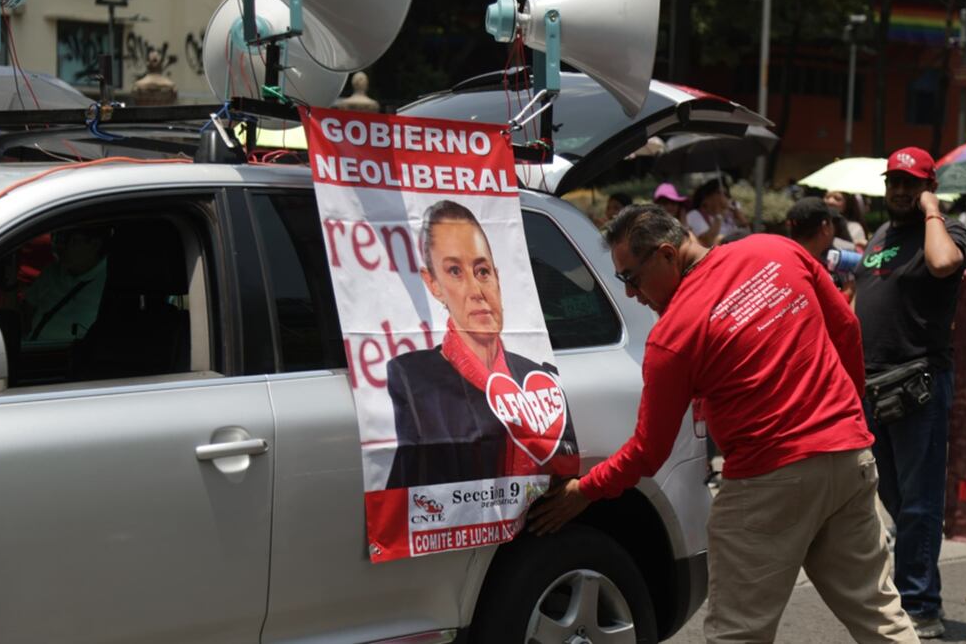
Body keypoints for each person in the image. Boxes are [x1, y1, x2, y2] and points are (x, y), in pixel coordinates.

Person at [529, 204, 917, 643]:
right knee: (879, 613)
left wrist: (585, 489)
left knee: (738, 633)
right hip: (849, 458)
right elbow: (846, 327)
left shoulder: (674, 336)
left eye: (631, 278)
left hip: (767, 482)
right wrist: (845, 411)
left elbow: (649, 450)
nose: (632, 294)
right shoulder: (776, 249)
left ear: (667, 255)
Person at [854, 147, 966, 639]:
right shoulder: (880, 235)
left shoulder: (946, 231)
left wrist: (931, 210)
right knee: (896, 502)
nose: (899, 191)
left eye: (910, 183)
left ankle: (922, 607)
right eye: (894, 182)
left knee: (920, 503)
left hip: (919, 381)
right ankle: (915, 594)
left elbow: (944, 265)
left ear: (928, 184)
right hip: (871, 385)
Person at [385, 200, 579, 489]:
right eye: (454, 271)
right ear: (433, 284)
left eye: (482, 271)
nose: (477, 291)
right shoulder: (414, 380)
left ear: (497, 278)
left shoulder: (537, 377)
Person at [21, 226, 109, 342]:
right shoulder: (52, 271)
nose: (61, 247)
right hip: (32, 351)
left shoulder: (110, 280)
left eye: (73, 241)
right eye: (59, 239)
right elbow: (27, 312)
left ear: (95, 244)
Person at [686, 179, 748, 247]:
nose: (724, 197)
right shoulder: (694, 215)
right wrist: (718, 215)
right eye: (719, 193)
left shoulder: (730, 213)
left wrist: (739, 216)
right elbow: (707, 241)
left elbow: (748, 232)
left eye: (726, 194)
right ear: (707, 196)